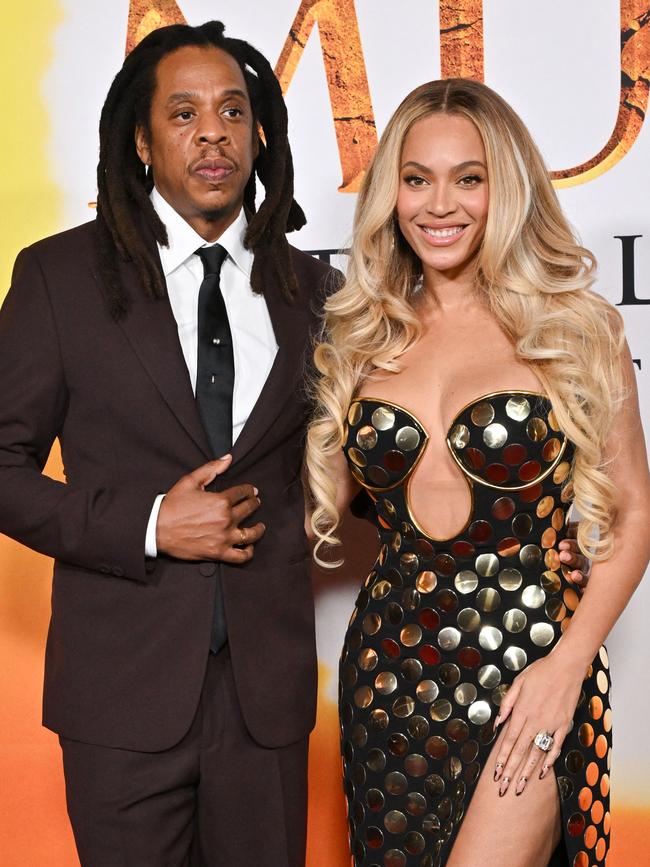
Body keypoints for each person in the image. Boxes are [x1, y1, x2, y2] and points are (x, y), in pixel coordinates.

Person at [0, 20, 335, 867]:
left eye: (232, 110)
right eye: (183, 114)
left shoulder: (314, 291)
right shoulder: (59, 279)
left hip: (268, 706)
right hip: (120, 700)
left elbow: (359, 469)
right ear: (142, 141)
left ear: (259, 136)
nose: (212, 131)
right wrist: (150, 524)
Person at [305, 79, 650, 867]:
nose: (440, 204)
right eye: (417, 178)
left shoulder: (576, 324)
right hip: (388, 674)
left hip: (529, 664)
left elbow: (632, 515)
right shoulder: (362, 333)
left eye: (470, 177)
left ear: (508, 186)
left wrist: (568, 668)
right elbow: (313, 506)